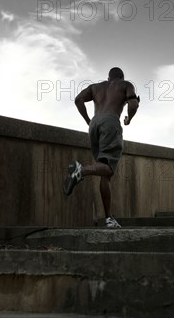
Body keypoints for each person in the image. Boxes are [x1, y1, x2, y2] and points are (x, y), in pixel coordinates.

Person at [63, 67, 140, 228]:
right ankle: (80, 171)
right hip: (111, 122)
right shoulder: (126, 85)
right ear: (121, 76)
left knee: (104, 172)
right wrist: (129, 119)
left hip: (94, 125)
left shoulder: (95, 87)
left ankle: (108, 218)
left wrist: (88, 120)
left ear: (108, 77)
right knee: (109, 168)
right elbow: (133, 104)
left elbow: (78, 100)